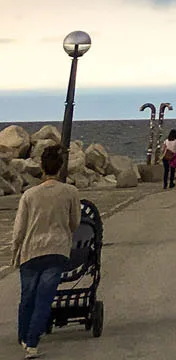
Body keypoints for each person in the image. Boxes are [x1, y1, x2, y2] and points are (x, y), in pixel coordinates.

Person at [10, 144, 81, 359]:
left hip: (31, 251)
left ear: (41, 167)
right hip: (57, 250)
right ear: (60, 168)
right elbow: (75, 222)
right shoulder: (70, 192)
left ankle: (23, 337)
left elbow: (19, 228)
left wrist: (15, 252)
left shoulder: (29, 195)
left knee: (27, 297)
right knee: (44, 298)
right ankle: (32, 343)